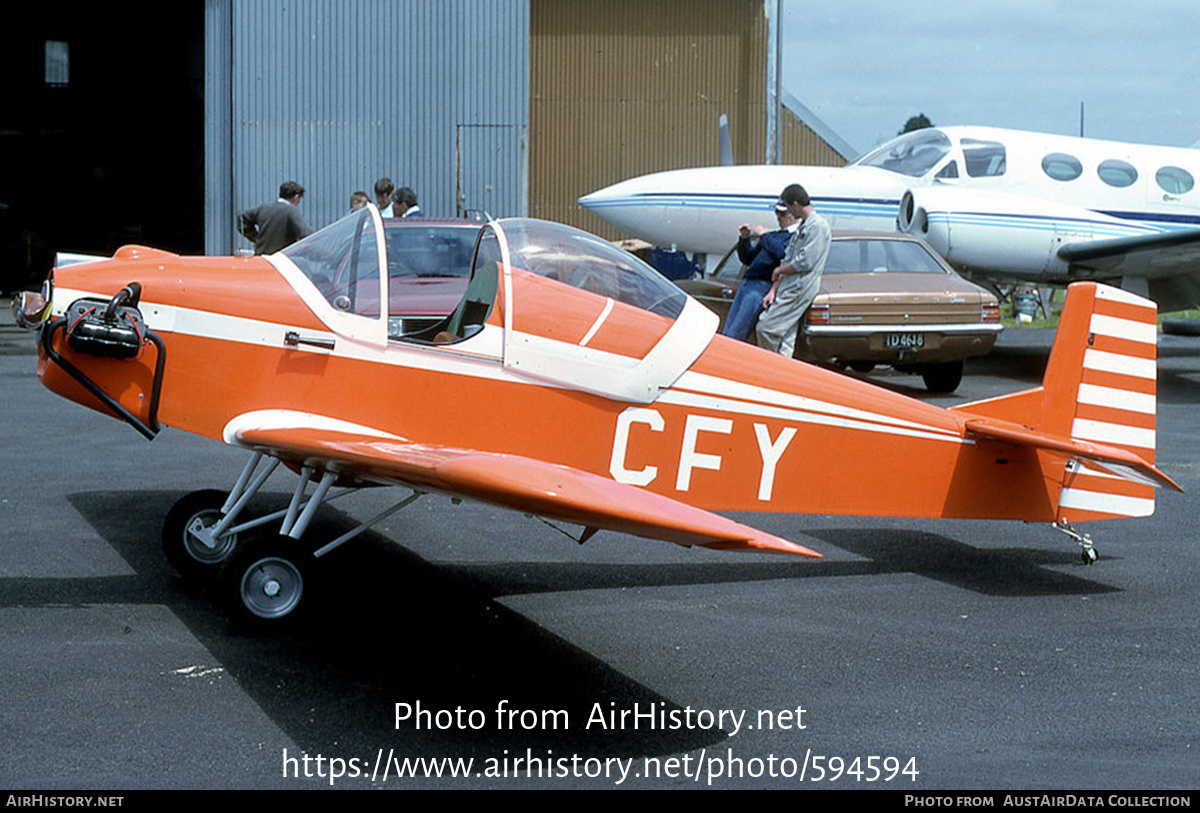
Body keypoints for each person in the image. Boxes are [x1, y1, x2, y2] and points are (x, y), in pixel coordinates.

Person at [755, 184, 830, 357]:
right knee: (786, 335)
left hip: (800, 286)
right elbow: (788, 258)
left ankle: (769, 364)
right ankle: (781, 373)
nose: (789, 211)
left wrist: (780, 270)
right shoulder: (802, 228)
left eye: (788, 207)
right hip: (787, 286)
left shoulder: (817, 226)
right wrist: (773, 290)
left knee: (765, 328)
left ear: (796, 204)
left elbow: (806, 261)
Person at [723, 205, 798, 341]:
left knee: (738, 330)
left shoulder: (794, 238)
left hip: (762, 285)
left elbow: (782, 253)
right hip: (748, 283)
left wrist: (764, 235)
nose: (778, 218)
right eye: (777, 214)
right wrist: (745, 239)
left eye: (781, 214)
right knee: (729, 329)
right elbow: (748, 258)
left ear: (791, 216)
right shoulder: (773, 236)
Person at [237, 181, 313, 255]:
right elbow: (305, 233)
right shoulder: (291, 211)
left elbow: (242, 218)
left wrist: (255, 237)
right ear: (296, 197)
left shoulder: (264, 208)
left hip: (262, 257)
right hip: (282, 259)